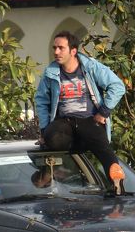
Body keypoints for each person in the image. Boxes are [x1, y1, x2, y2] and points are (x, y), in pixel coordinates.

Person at [34, 31, 127, 191]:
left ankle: (117, 185)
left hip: (89, 120)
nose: (56, 52)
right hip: (64, 123)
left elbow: (117, 86)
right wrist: (44, 130)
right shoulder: (51, 73)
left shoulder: (91, 67)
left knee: (102, 146)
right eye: (54, 48)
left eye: (61, 48)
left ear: (73, 51)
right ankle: (49, 173)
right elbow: (41, 100)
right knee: (52, 138)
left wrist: (103, 112)